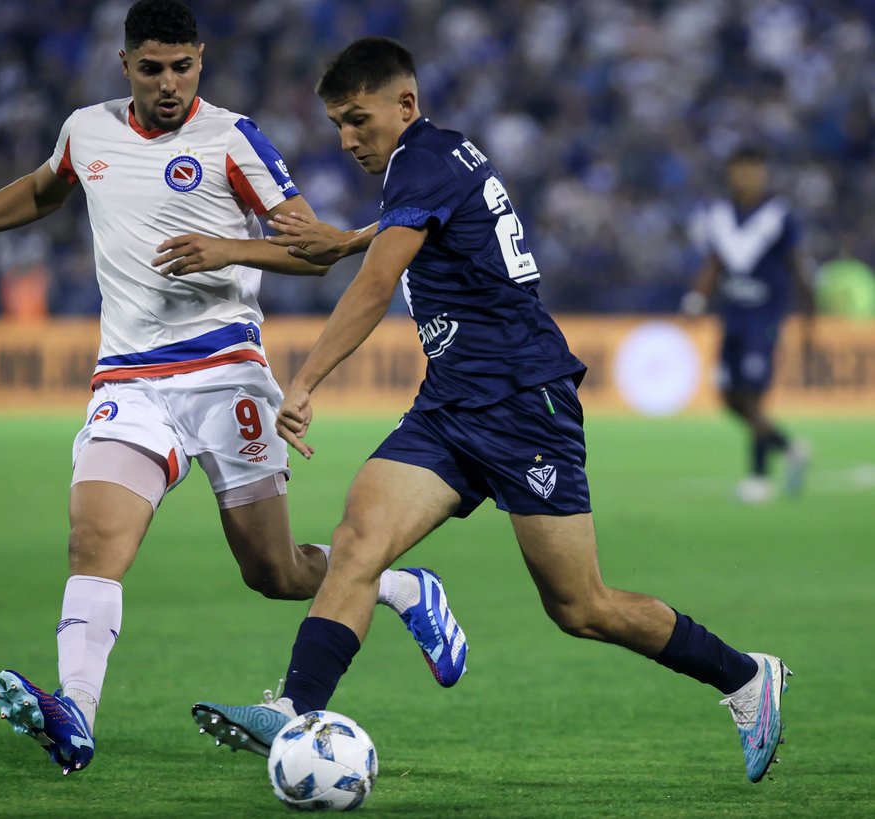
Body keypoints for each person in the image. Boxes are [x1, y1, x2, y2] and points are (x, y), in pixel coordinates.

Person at [0, 4, 465, 776]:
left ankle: (396, 584)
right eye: (151, 68)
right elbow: (40, 191)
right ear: (125, 65)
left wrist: (223, 247)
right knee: (94, 540)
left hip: (227, 374)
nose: (167, 83)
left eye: (181, 67)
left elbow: (316, 250)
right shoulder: (85, 130)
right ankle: (76, 712)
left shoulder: (232, 139)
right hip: (129, 378)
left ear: (201, 61)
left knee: (274, 571)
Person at [192, 37, 790, 784]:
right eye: (338, 125)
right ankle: (296, 705)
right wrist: (346, 240)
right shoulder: (439, 156)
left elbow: (380, 286)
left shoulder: (421, 158)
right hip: (451, 402)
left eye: (357, 120)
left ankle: (744, 677)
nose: (347, 139)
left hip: (522, 402)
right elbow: (418, 231)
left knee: (582, 606)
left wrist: (305, 379)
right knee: (358, 538)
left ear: (403, 105)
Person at [682, 147, 814, 504]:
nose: (746, 177)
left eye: (752, 170)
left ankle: (759, 477)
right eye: (740, 170)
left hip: (766, 316)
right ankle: (789, 448)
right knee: (729, 397)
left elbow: (798, 262)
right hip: (733, 315)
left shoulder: (779, 215)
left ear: (764, 173)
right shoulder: (720, 214)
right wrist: (696, 298)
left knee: (753, 395)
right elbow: (714, 261)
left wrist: (809, 312)